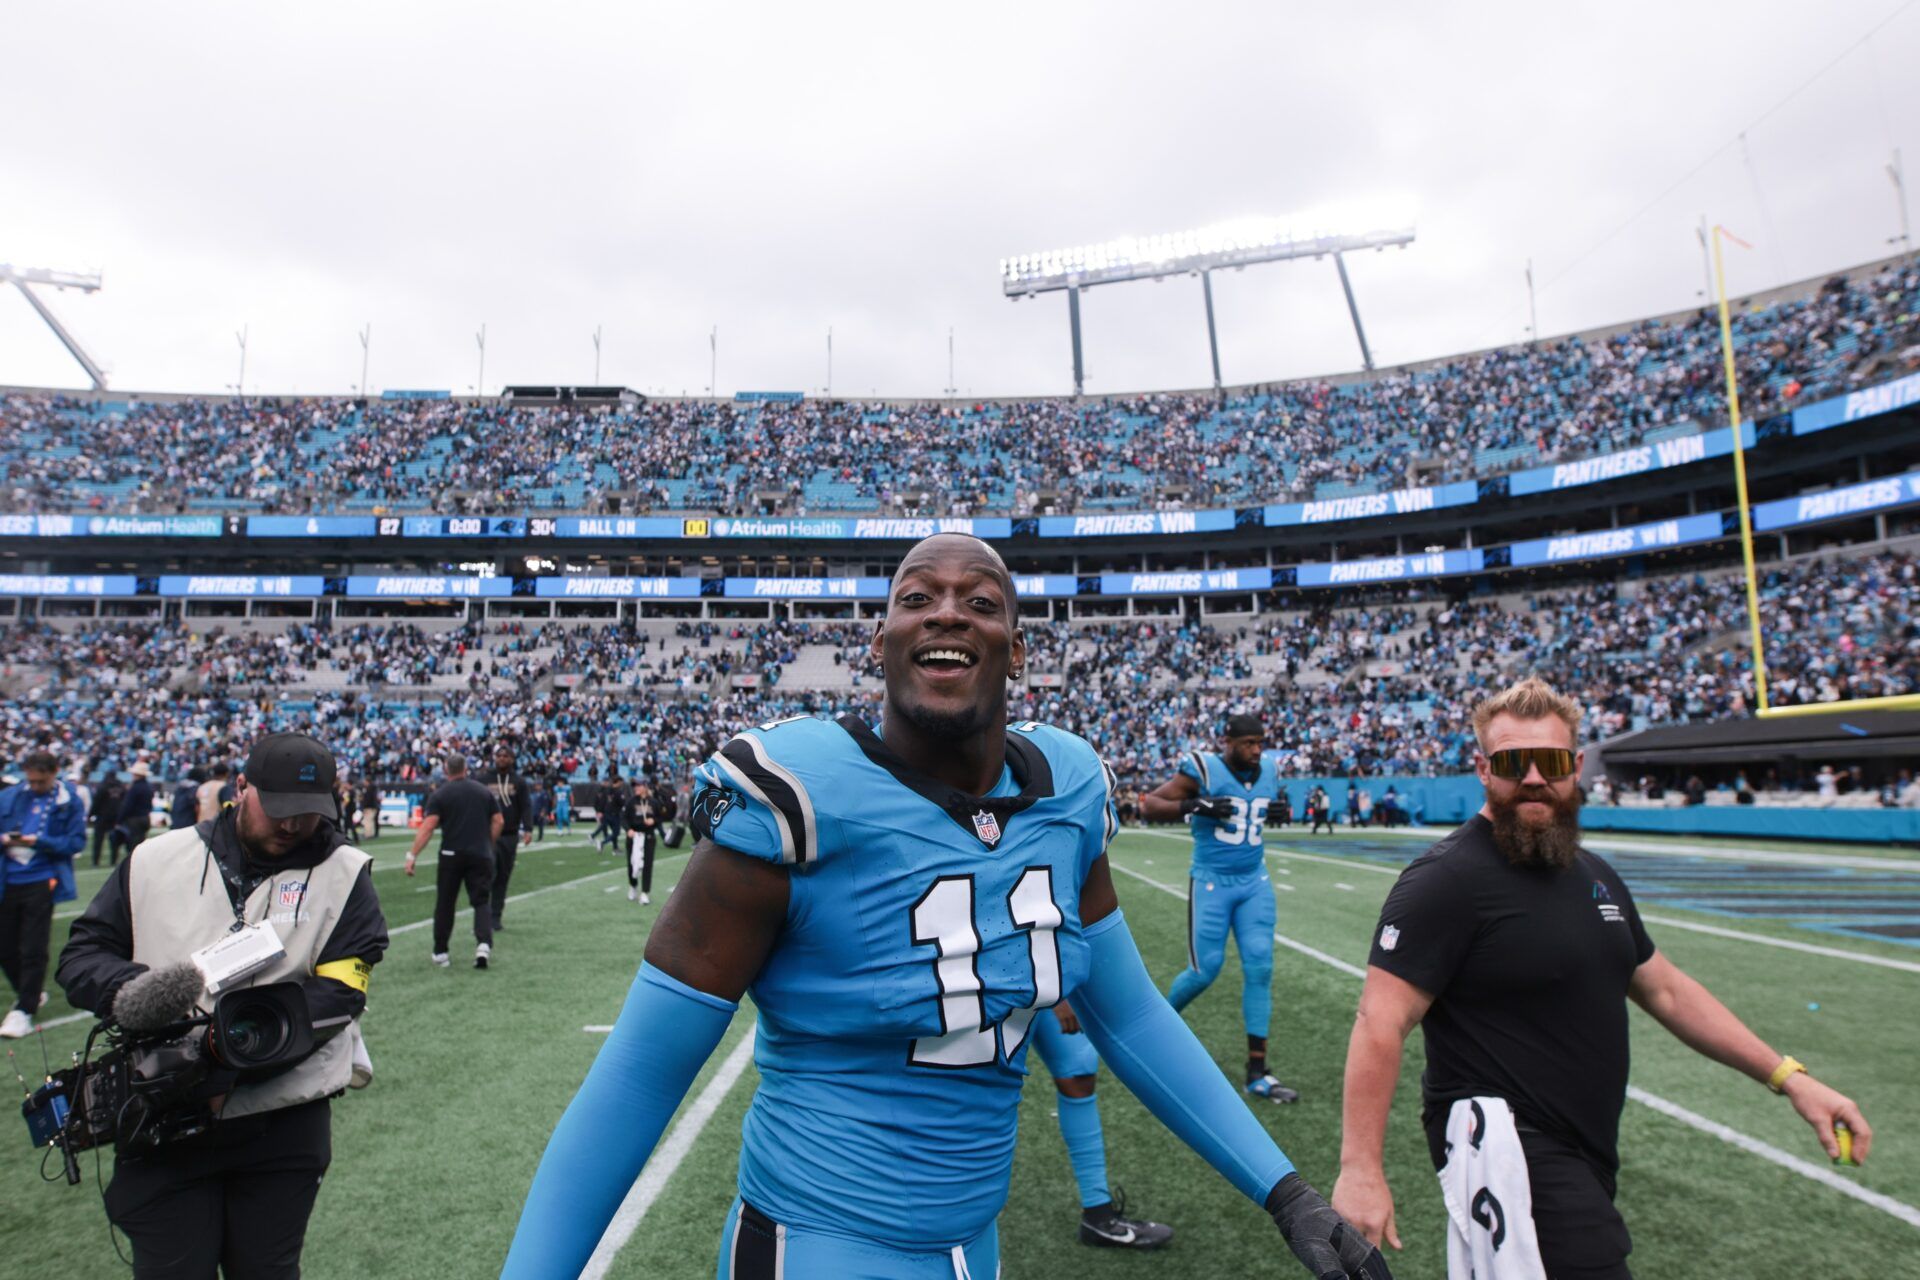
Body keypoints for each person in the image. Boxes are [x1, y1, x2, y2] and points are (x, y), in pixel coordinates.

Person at [501, 533, 1389, 1280]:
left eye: (982, 600)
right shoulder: (799, 797)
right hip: (820, 1243)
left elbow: (1130, 1018)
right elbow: (643, 1072)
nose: (949, 610)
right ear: (881, 643)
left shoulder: (1069, 793)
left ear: (1016, 647)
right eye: (917, 596)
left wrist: (1287, 1191)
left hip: (975, 1245)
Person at [1331, 677, 1872, 1280]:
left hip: (1586, 1148)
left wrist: (1791, 1078)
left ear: (1577, 766)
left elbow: (1666, 989)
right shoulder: (1446, 879)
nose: (1534, 777)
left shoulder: (1595, 875)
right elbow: (1380, 1021)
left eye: (1552, 761)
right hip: (1507, 1149)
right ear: (1483, 769)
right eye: (1513, 762)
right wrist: (1361, 1169)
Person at [57, 731, 388, 1279]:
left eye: (307, 813)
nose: (292, 825)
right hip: (163, 1118)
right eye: (279, 809)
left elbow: (341, 992)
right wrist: (136, 995)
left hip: (281, 1121)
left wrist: (221, 1056)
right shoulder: (155, 858)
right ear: (241, 788)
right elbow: (82, 954)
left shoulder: (345, 871)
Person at [1139, 713, 1299, 1104]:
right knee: (1203, 971)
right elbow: (1150, 805)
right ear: (1227, 741)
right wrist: (1195, 806)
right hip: (1211, 882)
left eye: (1261, 742)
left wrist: (1281, 812)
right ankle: (1150, 1035)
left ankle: (1257, 1072)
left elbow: (1264, 808)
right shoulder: (1203, 770)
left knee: (1260, 967)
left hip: (1253, 882)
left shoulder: (1271, 770)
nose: (1257, 750)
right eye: (1249, 743)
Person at [1034, 998, 1174, 1249]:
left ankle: (1098, 1216)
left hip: (1042, 979)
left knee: (1078, 1073)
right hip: (986, 988)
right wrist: (1055, 995)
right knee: (983, 1097)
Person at [0, 751, 88, 1038]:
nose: (35, 786)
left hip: (42, 879)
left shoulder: (68, 801)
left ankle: (24, 1009)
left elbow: (75, 842)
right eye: (32, 780)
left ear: (54, 773)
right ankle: (31, 992)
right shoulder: (11, 796)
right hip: (7, 877)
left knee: (33, 946)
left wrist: (40, 841)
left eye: (41, 781)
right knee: (5, 945)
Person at [405, 753, 503, 969]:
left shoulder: (441, 794)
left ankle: (441, 952)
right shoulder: (482, 791)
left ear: (446, 770)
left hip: (451, 855)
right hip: (480, 853)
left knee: (445, 903)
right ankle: (483, 945)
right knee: (481, 901)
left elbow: (429, 826)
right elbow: (498, 820)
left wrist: (413, 855)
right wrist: (488, 842)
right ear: (465, 768)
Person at [476, 745, 529, 932]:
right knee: (486, 876)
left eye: (506, 756)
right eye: (499, 756)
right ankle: (481, 918)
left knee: (502, 877)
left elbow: (525, 806)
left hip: (509, 835)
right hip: (487, 834)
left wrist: (528, 828)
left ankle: (496, 917)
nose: (502, 759)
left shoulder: (519, 782)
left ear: (512, 759)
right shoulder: (483, 780)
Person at [624, 779, 657, 904]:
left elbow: (660, 816)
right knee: (632, 864)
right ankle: (633, 886)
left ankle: (644, 892)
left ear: (645, 787)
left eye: (638, 786)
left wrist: (653, 821)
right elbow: (624, 818)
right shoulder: (631, 802)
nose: (636, 788)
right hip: (634, 837)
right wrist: (628, 830)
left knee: (647, 865)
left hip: (648, 837)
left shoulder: (653, 802)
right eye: (635, 786)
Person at [90, 769, 127, 867]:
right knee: (114, 840)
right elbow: (124, 801)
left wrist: (91, 814)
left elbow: (96, 802)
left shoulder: (103, 786)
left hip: (102, 816)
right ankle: (113, 860)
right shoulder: (121, 786)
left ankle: (95, 861)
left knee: (98, 841)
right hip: (115, 817)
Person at [119, 761, 157, 850]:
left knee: (132, 846)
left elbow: (127, 806)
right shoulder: (149, 787)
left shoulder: (135, 788)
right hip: (145, 818)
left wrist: (119, 820)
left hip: (134, 820)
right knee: (141, 844)